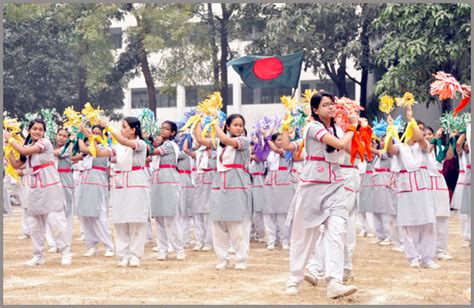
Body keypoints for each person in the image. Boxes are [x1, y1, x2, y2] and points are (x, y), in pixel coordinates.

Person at [283, 93, 358, 298]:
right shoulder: (313, 127)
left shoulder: (338, 129)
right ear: (315, 110)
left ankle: (334, 281)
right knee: (304, 236)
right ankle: (294, 278)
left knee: (337, 231)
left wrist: (360, 131)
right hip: (312, 187)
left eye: (332, 104)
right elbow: (341, 144)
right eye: (325, 105)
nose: (331, 108)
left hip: (335, 185)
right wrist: (353, 127)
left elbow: (352, 150)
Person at [80, 117, 150, 267]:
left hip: (136, 183)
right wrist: (91, 138)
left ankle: (135, 255)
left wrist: (109, 127)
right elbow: (98, 153)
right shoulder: (118, 146)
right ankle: (123, 255)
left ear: (133, 130)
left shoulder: (140, 144)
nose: (121, 130)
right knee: (120, 220)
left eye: (124, 127)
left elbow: (126, 142)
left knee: (136, 220)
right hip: (120, 184)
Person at [5, 118, 72, 266]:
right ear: (29, 130)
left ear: (44, 132)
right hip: (34, 189)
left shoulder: (45, 143)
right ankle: (38, 255)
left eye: (40, 129)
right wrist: (7, 150)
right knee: (34, 224)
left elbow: (23, 151)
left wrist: (10, 140)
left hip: (50, 188)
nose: (37, 131)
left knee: (56, 222)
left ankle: (65, 252)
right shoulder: (28, 145)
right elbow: (17, 164)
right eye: (34, 129)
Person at [194, 113, 252, 270]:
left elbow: (227, 140)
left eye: (241, 125)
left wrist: (214, 125)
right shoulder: (220, 143)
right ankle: (222, 258)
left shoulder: (243, 141)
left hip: (237, 185)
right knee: (218, 223)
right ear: (228, 126)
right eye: (235, 125)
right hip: (219, 185)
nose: (239, 127)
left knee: (237, 224)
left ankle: (241, 258)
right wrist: (198, 121)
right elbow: (200, 140)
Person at [386, 107, 439, 269]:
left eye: (422, 130)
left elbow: (419, 138)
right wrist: (390, 129)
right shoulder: (400, 148)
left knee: (428, 222)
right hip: (406, 188)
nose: (420, 133)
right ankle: (413, 258)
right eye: (418, 129)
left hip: (423, 187)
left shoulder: (423, 146)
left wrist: (411, 119)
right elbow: (389, 148)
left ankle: (427, 258)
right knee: (408, 224)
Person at [149, 121, 185, 261]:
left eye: (166, 129)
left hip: (168, 179)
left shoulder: (170, 145)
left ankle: (178, 248)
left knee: (171, 217)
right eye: (162, 128)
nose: (163, 131)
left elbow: (152, 152)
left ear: (173, 133)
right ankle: (162, 249)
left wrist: (149, 142)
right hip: (157, 180)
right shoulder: (161, 145)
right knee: (159, 217)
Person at [77, 125, 115, 258]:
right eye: (93, 132)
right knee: (86, 215)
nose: (94, 135)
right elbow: (74, 155)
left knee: (100, 216)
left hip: (97, 182)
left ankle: (109, 246)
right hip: (85, 182)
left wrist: (81, 136)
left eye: (97, 133)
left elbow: (83, 148)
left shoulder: (103, 149)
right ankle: (91, 246)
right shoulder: (88, 151)